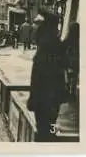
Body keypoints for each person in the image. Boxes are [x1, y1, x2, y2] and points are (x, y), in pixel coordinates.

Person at [26, 10, 68, 142]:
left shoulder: (42, 50)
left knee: (42, 129)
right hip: (54, 97)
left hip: (42, 98)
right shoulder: (57, 46)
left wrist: (32, 98)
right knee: (51, 125)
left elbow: (36, 79)